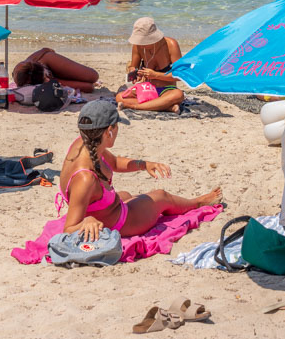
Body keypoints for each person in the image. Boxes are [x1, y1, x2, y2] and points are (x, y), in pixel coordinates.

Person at [59, 99, 222, 241]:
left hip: (106, 212)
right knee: (161, 196)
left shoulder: (83, 143)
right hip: (119, 224)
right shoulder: (85, 179)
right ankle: (197, 202)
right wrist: (86, 222)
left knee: (126, 195)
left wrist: (144, 164)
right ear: (109, 131)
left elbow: (114, 162)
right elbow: (68, 229)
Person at [116, 17, 185, 113]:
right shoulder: (138, 46)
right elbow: (133, 66)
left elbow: (181, 75)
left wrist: (156, 75)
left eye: (144, 41)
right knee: (119, 96)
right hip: (146, 89)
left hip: (166, 90)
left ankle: (133, 106)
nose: (141, 44)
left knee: (178, 94)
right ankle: (166, 107)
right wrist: (134, 72)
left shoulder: (171, 45)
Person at [14, 48, 100, 93]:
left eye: (46, 76)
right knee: (89, 86)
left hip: (48, 61)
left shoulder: (30, 65)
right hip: (49, 76)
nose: (47, 79)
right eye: (45, 79)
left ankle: (60, 73)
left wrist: (46, 50)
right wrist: (54, 81)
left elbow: (44, 50)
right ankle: (62, 77)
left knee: (93, 76)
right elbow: (89, 87)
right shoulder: (25, 81)